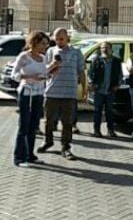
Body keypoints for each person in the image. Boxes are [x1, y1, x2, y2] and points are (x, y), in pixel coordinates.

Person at [38, 28, 86, 161]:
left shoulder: (76, 52)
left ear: (67, 38)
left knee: (67, 122)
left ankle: (66, 147)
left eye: (61, 39)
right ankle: (48, 141)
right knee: (48, 121)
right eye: (56, 39)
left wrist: (84, 89)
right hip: (52, 91)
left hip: (69, 93)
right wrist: (52, 66)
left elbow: (81, 71)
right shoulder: (50, 51)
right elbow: (44, 71)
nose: (59, 41)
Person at [12, 31, 50, 166]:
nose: (45, 47)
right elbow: (14, 75)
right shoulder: (24, 56)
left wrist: (49, 73)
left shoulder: (43, 57)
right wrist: (30, 77)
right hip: (26, 93)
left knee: (33, 126)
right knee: (24, 125)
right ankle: (19, 158)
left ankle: (30, 155)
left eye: (46, 44)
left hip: (38, 93)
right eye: (43, 43)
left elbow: (45, 73)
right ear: (34, 42)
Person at [88, 42, 123, 138]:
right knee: (97, 111)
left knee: (110, 112)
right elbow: (90, 74)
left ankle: (110, 130)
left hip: (110, 91)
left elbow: (120, 75)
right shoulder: (96, 60)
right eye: (103, 48)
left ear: (111, 49)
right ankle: (96, 130)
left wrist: (118, 85)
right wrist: (91, 84)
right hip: (99, 90)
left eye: (107, 48)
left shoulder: (116, 61)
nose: (104, 50)